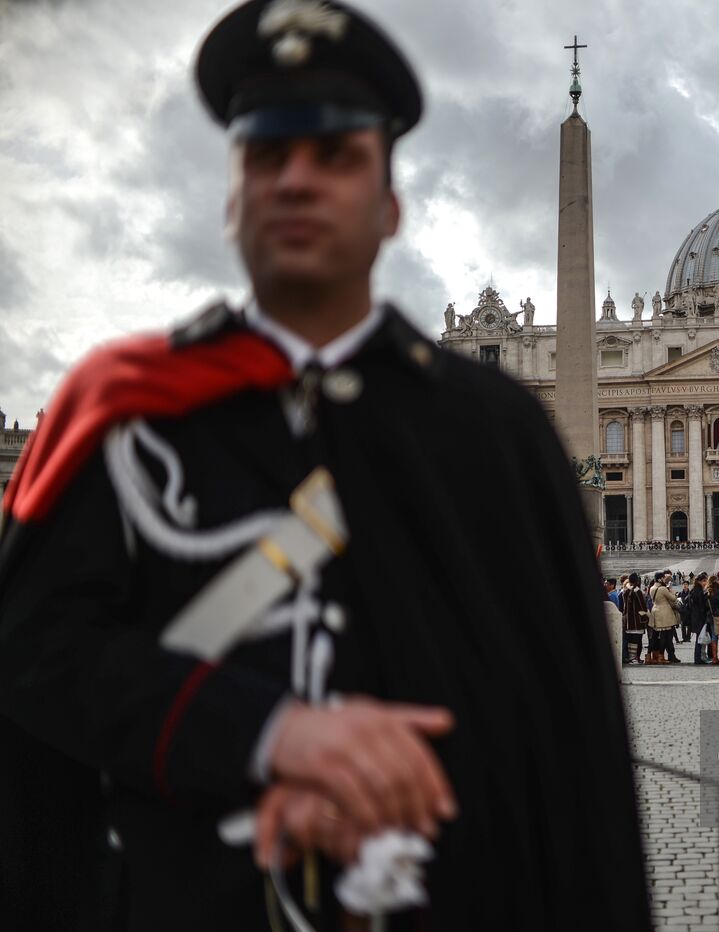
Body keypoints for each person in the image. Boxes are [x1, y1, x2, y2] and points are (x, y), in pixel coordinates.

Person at [0, 3, 650, 929]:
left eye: (336, 155)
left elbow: (572, 749)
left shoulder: (497, 436)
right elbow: (31, 657)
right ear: (232, 195)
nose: (298, 180)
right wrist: (260, 734)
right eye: (267, 155)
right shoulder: (130, 418)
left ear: (391, 205)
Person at [649, 570, 682, 663]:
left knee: (657, 636)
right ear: (660, 579)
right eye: (663, 578)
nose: (664, 579)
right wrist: (670, 589)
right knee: (665, 636)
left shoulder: (652, 588)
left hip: (655, 611)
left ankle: (654, 656)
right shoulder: (663, 589)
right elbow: (673, 598)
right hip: (665, 613)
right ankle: (661, 656)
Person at [620, 573, 648, 665]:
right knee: (636, 640)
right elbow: (642, 606)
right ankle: (634, 658)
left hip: (628, 620)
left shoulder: (625, 590)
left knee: (630, 640)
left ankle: (630, 657)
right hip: (637, 620)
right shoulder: (637, 591)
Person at [688, 573, 713, 664]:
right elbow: (701, 605)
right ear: (699, 581)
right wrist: (706, 596)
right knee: (700, 638)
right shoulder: (698, 591)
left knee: (700, 638)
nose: (705, 583)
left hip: (695, 617)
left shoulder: (694, 589)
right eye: (704, 581)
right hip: (699, 618)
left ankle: (699, 657)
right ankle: (698, 658)